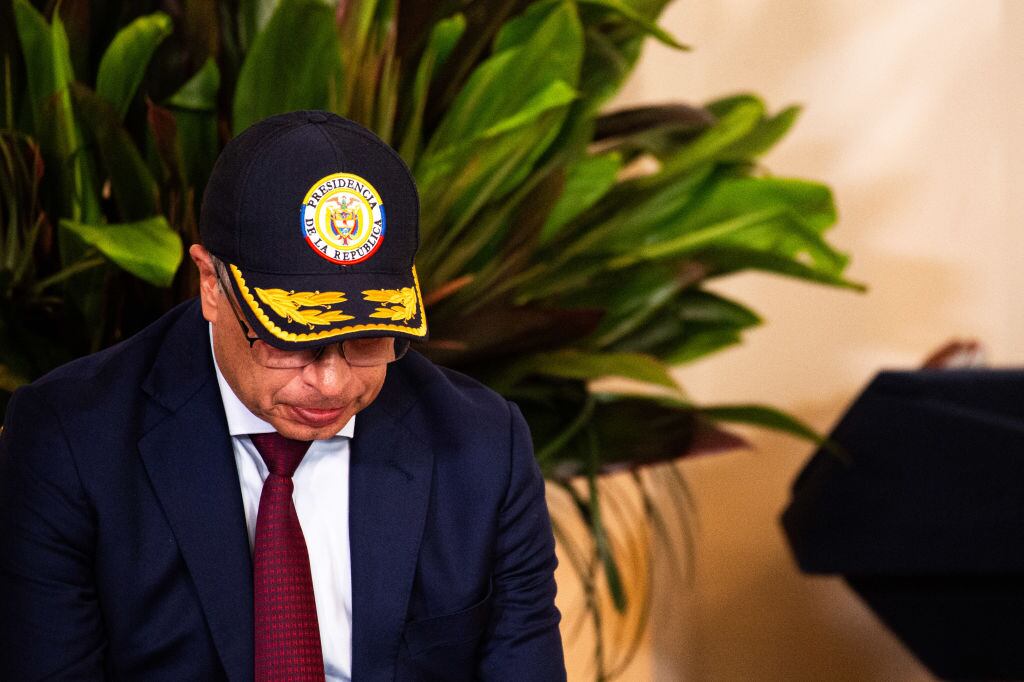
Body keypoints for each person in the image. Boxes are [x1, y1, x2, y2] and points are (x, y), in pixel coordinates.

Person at [0, 111, 566, 681]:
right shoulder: (70, 443)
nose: (333, 382)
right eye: (292, 340)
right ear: (210, 286)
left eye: (368, 337)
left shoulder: (486, 447)